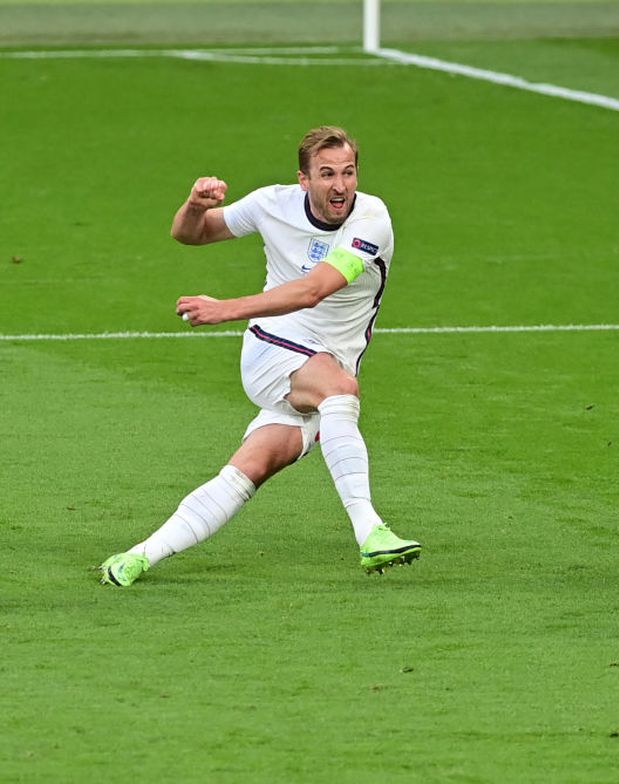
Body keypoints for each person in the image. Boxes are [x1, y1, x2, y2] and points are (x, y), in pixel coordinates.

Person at [98, 125, 420, 586]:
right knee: (341, 390)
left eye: (348, 172)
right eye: (327, 174)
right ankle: (371, 532)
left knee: (250, 468)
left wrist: (225, 308)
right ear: (303, 179)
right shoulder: (273, 203)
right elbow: (192, 235)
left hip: (322, 365)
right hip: (274, 348)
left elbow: (314, 290)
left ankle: (136, 557)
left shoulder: (372, 220)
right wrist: (194, 205)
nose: (340, 185)